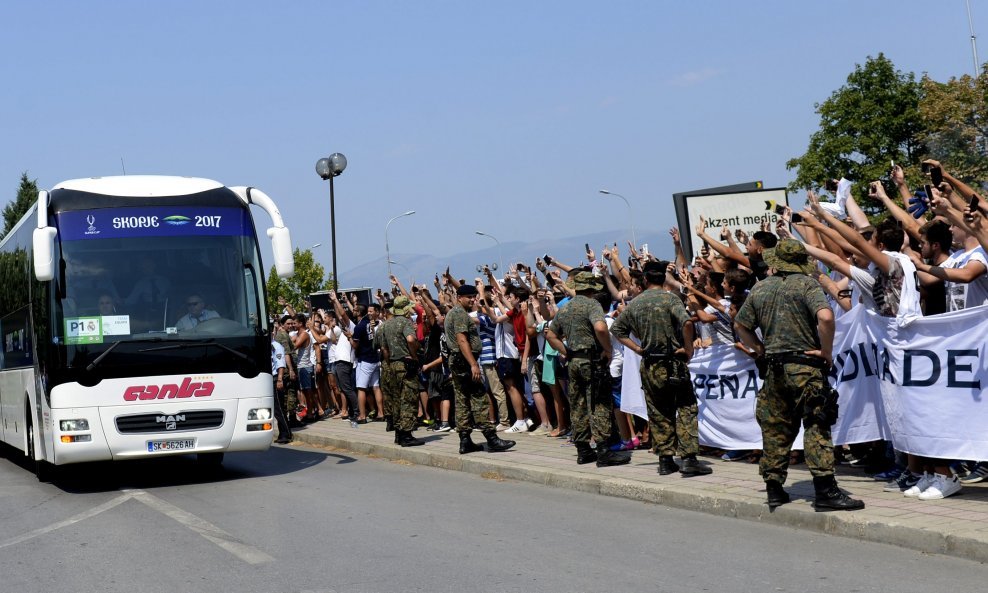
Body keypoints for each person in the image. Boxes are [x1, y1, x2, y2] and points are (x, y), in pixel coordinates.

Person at [734, 239, 864, 511]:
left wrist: (759, 349)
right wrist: (826, 351)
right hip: (805, 366)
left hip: (773, 368)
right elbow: (826, 318)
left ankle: (774, 489)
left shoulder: (760, 288)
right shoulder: (807, 284)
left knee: (775, 428)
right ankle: (825, 491)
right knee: (816, 425)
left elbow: (740, 325)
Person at [612, 261, 710, 476]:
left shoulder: (636, 304)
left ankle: (665, 459)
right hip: (673, 362)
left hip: (650, 363)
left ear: (645, 280)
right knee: (685, 408)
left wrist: (638, 348)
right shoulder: (670, 299)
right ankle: (689, 459)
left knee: (658, 411)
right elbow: (686, 323)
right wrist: (687, 349)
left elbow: (618, 329)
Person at [545, 271, 631, 467]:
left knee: (578, 404)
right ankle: (603, 450)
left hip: (574, 362)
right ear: (592, 288)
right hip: (592, 360)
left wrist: (565, 351)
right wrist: (608, 350)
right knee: (599, 403)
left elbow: (551, 335)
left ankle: (583, 450)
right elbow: (601, 328)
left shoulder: (566, 308)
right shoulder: (592, 305)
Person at [444, 284, 515, 454]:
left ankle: (465, 440)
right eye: (469, 297)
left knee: (461, 401)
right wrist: (473, 364)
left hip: (458, 361)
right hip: (465, 362)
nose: (472, 300)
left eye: (474, 297)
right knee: (479, 398)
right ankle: (492, 439)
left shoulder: (453, 313)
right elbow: (462, 340)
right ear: (459, 298)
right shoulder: (460, 314)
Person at [378, 296, 424, 446]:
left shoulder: (386, 325)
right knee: (409, 399)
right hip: (406, 364)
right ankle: (406, 435)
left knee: (397, 400)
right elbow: (410, 339)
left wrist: (391, 361)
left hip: (392, 365)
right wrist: (414, 355)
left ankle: (398, 433)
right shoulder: (405, 322)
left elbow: (383, 348)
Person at [271, 337, 292, 444]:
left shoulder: (276, 346)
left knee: (279, 408)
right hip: (270, 379)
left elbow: (280, 365)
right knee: (277, 409)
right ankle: (282, 433)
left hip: (276, 379)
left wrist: (280, 380)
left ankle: (286, 434)